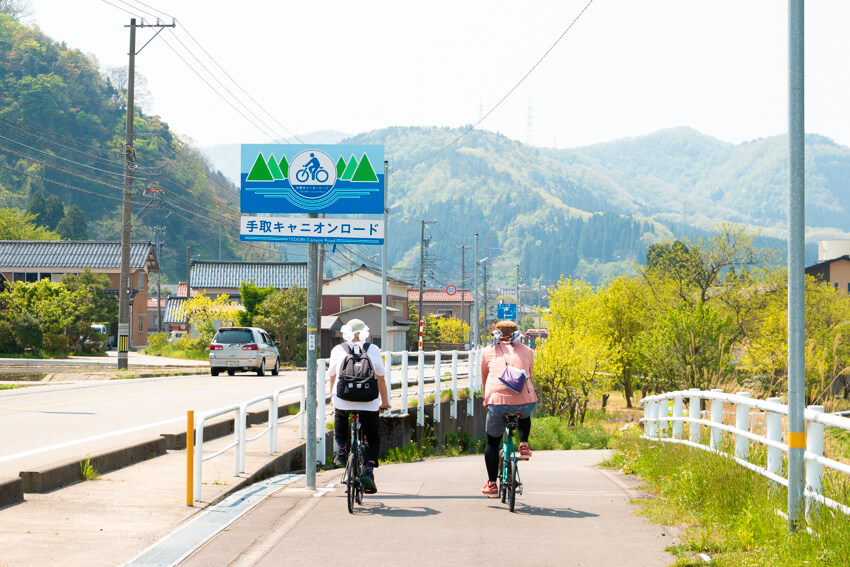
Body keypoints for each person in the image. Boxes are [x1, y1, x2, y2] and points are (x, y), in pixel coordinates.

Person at [328, 319, 390, 494]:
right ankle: (368, 470)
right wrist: (384, 402)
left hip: (343, 398)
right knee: (372, 435)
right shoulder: (373, 349)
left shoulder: (338, 350)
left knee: (340, 416)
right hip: (369, 400)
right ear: (365, 333)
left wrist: (332, 398)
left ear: (346, 332)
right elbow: (381, 378)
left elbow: (333, 377)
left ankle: (341, 450)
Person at [479, 319, 537, 497]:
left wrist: (487, 398)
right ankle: (524, 444)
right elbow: (530, 375)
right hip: (525, 401)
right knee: (524, 411)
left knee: (492, 442)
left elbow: (485, 377)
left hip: (497, 401)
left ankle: (492, 485)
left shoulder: (488, 352)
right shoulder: (528, 351)